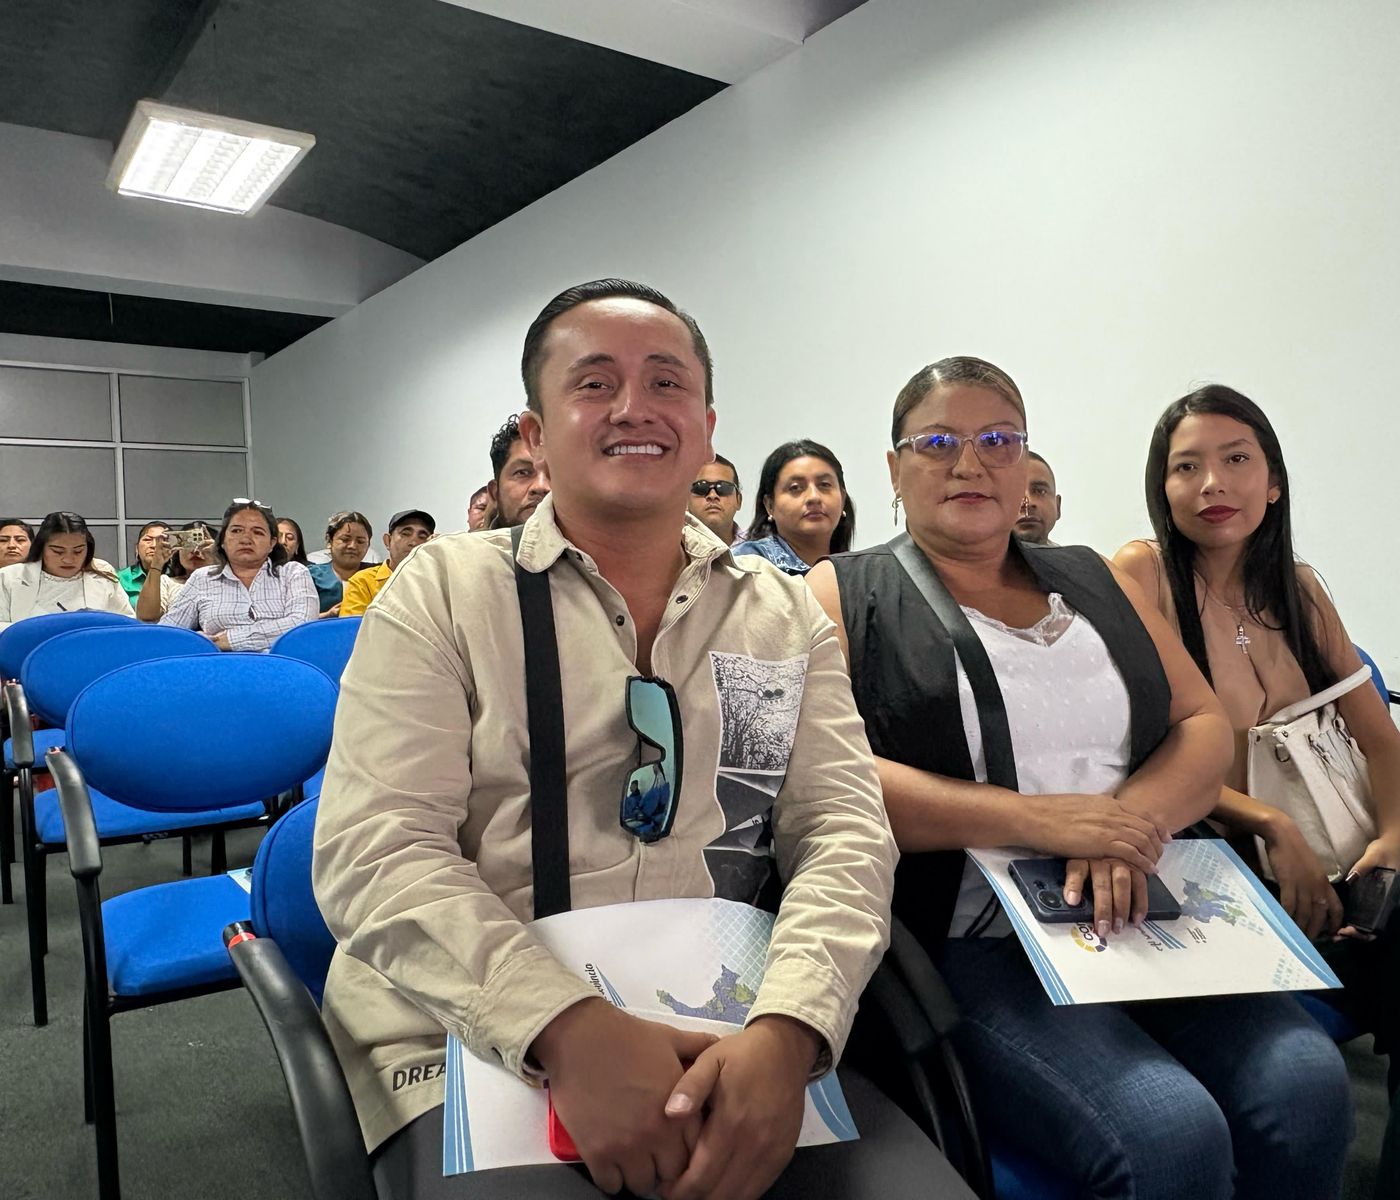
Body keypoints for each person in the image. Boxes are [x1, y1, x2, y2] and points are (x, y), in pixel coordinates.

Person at [312, 279, 972, 1200]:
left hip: (727, 1018)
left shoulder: (782, 615)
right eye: (594, 384)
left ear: (704, 429)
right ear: (537, 434)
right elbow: (377, 848)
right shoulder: (443, 592)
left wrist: (792, 1025)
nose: (634, 408)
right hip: (465, 1024)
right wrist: (564, 1025)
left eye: (666, 384)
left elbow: (842, 832)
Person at [808, 356, 1352, 1200]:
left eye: (999, 440)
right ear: (893, 467)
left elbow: (1202, 725)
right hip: (975, 939)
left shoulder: (1094, 577)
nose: (970, 462)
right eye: (938, 442)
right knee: (1170, 1130)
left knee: (1308, 1083)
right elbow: (825, 772)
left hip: (1141, 901)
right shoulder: (844, 591)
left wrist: (1125, 826)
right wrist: (1043, 822)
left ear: (1026, 459)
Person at [1113, 384, 1400, 1200]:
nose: (1211, 484)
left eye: (1236, 460)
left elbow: (1383, 746)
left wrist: (1390, 845)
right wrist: (1269, 825)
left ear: (1273, 483)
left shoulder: (1298, 590)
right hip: (1210, 852)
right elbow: (1136, 756)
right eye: (1186, 467)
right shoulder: (1140, 574)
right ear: (1162, 488)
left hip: (1332, 850)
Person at [160, 500, 317, 651]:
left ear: (272, 543)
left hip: (281, 664)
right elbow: (167, 633)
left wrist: (228, 640)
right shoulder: (202, 578)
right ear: (222, 541)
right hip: (219, 665)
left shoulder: (293, 573)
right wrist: (195, 640)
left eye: (258, 532)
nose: (246, 539)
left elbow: (302, 625)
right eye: (236, 531)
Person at [733, 440, 854, 575]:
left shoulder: (857, 570)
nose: (814, 497)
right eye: (795, 487)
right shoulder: (745, 564)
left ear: (842, 498)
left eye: (824, 485)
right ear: (770, 505)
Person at [0, 512, 134, 630]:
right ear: (41, 547)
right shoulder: (9, 577)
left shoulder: (102, 571)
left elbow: (127, 623)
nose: (68, 560)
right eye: (58, 551)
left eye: (78, 551)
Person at [339, 510, 435, 617]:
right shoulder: (363, 582)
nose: (414, 542)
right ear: (388, 541)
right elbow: (353, 626)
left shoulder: (436, 584)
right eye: (406, 534)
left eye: (422, 537)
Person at [135, 520, 218, 622]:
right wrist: (156, 564)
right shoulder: (167, 582)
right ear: (178, 551)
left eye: (203, 545)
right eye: (188, 544)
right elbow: (146, 616)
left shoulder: (228, 582)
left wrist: (219, 561)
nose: (195, 550)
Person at [486, 412, 554, 529]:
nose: (541, 486)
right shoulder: (461, 542)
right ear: (495, 493)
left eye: (554, 474)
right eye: (522, 472)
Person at [309, 512, 374, 617]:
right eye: (345, 539)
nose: (352, 546)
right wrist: (327, 615)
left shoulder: (377, 575)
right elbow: (299, 619)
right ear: (329, 541)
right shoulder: (311, 576)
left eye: (360, 541)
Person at [687, 454, 743, 545]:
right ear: (685, 501)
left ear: (739, 500)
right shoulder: (668, 549)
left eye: (723, 487)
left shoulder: (761, 549)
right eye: (701, 487)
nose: (712, 495)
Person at [1013, 450, 1061, 545]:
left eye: (1039, 491)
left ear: (1057, 506)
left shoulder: (1080, 554)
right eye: (1014, 492)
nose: (1028, 503)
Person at [116, 521, 171, 604]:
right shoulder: (119, 579)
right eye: (148, 540)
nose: (154, 545)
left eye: (162, 541)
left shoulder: (178, 579)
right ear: (137, 548)